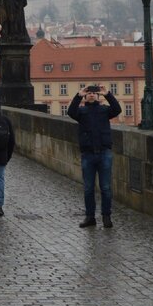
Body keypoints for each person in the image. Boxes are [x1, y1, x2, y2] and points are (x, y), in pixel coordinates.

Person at [67, 85, 122, 228]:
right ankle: (90, 217)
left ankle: (106, 216)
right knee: (88, 188)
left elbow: (117, 109)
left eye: (94, 93)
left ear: (97, 96)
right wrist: (78, 95)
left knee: (106, 187)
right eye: (89, 93)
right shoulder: (81, 111)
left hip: (104, 152)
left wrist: (107, 94)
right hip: (88, 154)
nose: (91, 95)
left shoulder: (104, 110)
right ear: (86, 96)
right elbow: (70, 112)